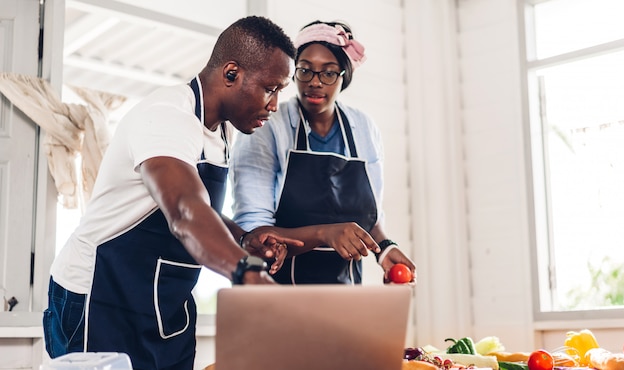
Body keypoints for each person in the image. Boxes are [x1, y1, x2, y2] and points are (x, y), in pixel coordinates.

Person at [43, 16, 303, 370]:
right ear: (231, 73)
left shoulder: (221, 131)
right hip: (99, 297)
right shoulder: (167, 116)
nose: (274, 105)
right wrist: (247, 272)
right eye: (270, 88)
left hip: (164, 304)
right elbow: (184, 211)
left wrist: (243, 240)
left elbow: (200, 209)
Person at [230, 20, 416, 285]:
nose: (315, 83)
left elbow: (370, 215)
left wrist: (385, 247)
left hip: (347, 295)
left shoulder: (364, 128)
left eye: (328, 73)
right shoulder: (268, 127)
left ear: (343, 77)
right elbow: (254, 234)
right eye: (305, 71)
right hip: (278, 292)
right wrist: (325, 233)